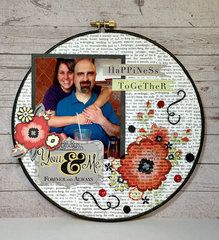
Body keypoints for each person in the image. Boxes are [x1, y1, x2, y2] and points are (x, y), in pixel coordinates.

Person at [53, 59, 120, 146]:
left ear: (95, 76)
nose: (85, 79)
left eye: (90, 74)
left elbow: (119, 134)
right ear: (74, 77)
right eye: (80, 74)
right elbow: (55, 135)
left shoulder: (104, 103)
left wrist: (102, 121)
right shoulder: (62, 105)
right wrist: (64, 139)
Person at [42, 58, 112, 127]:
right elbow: (49, 120)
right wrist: (76, 119)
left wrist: (94, 106)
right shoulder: (52, 92)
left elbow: (108, 90)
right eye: (62, 73)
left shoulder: (81, 87)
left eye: (70, 72)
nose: (66, 77)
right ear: (57, 75)